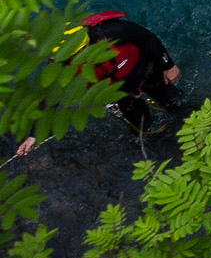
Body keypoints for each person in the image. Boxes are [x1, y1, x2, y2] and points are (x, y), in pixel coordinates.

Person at [12, 12, 180, 155]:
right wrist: (34, 135)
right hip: (119, 94)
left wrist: (168, 65)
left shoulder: (112, 30)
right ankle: (157, 152)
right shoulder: (61, 66)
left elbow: (148, 39)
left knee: (174, 101)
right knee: (141, 128)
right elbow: (50, 101)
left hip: (145, 71)